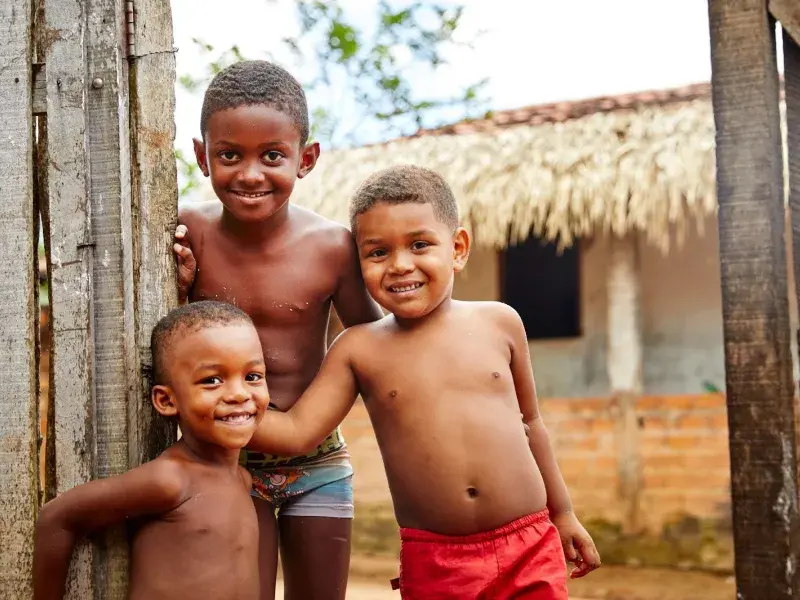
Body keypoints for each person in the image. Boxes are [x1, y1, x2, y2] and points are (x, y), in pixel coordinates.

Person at [248, 165, 602, 599]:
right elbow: (297, 430)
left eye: (419, 245)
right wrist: (211, 407)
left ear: (457, 248)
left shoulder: (501, 322)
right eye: (377, 253)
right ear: (358, 263)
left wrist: (563, 513)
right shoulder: (359, 348)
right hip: (437, 559)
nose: (400, 265)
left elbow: (532, 424)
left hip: (529, 543)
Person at [172, 60, 384, 600]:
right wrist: (175, 287)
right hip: (227, 462)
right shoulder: (187, 233)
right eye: (228, 155)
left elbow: (374, 345)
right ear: (202, 157)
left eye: (272, 156)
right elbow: (168, 335)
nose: (250, 174)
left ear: (305, 159)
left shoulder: (333, 247)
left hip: (320, 462)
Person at [32, 301, 270, 600]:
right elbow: (57, 517)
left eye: (252, 376)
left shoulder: (242, 480)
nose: (239, 393)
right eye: (212, 380)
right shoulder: (170, 480)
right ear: (167, 401)